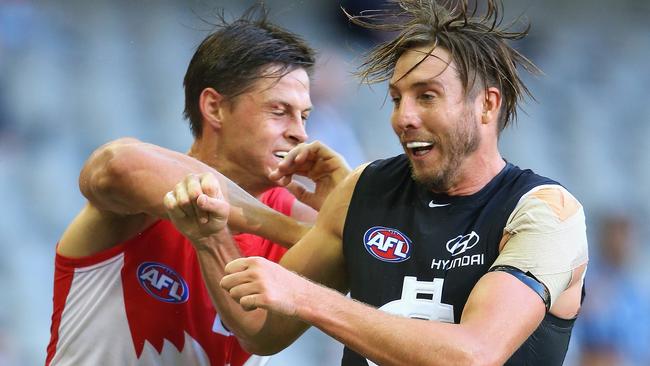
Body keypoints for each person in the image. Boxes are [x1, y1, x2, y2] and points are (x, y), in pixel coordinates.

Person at [164, 1, 589, 365]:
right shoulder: (363, 189)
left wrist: (308, 298)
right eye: (396, 97)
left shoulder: (546, 212)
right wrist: (211, 239)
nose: (403, 117)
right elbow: (261, 332)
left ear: (486, 105)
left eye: (426, 96)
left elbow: (472, 355)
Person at [45, 5, 349, 366]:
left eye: (304, 116)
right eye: (279, 111)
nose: (299, 131)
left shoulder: (299, 219)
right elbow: (116, 165)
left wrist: (344, 204)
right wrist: (293, 232)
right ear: (214, 107)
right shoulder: (149, 192)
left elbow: (377, 268)